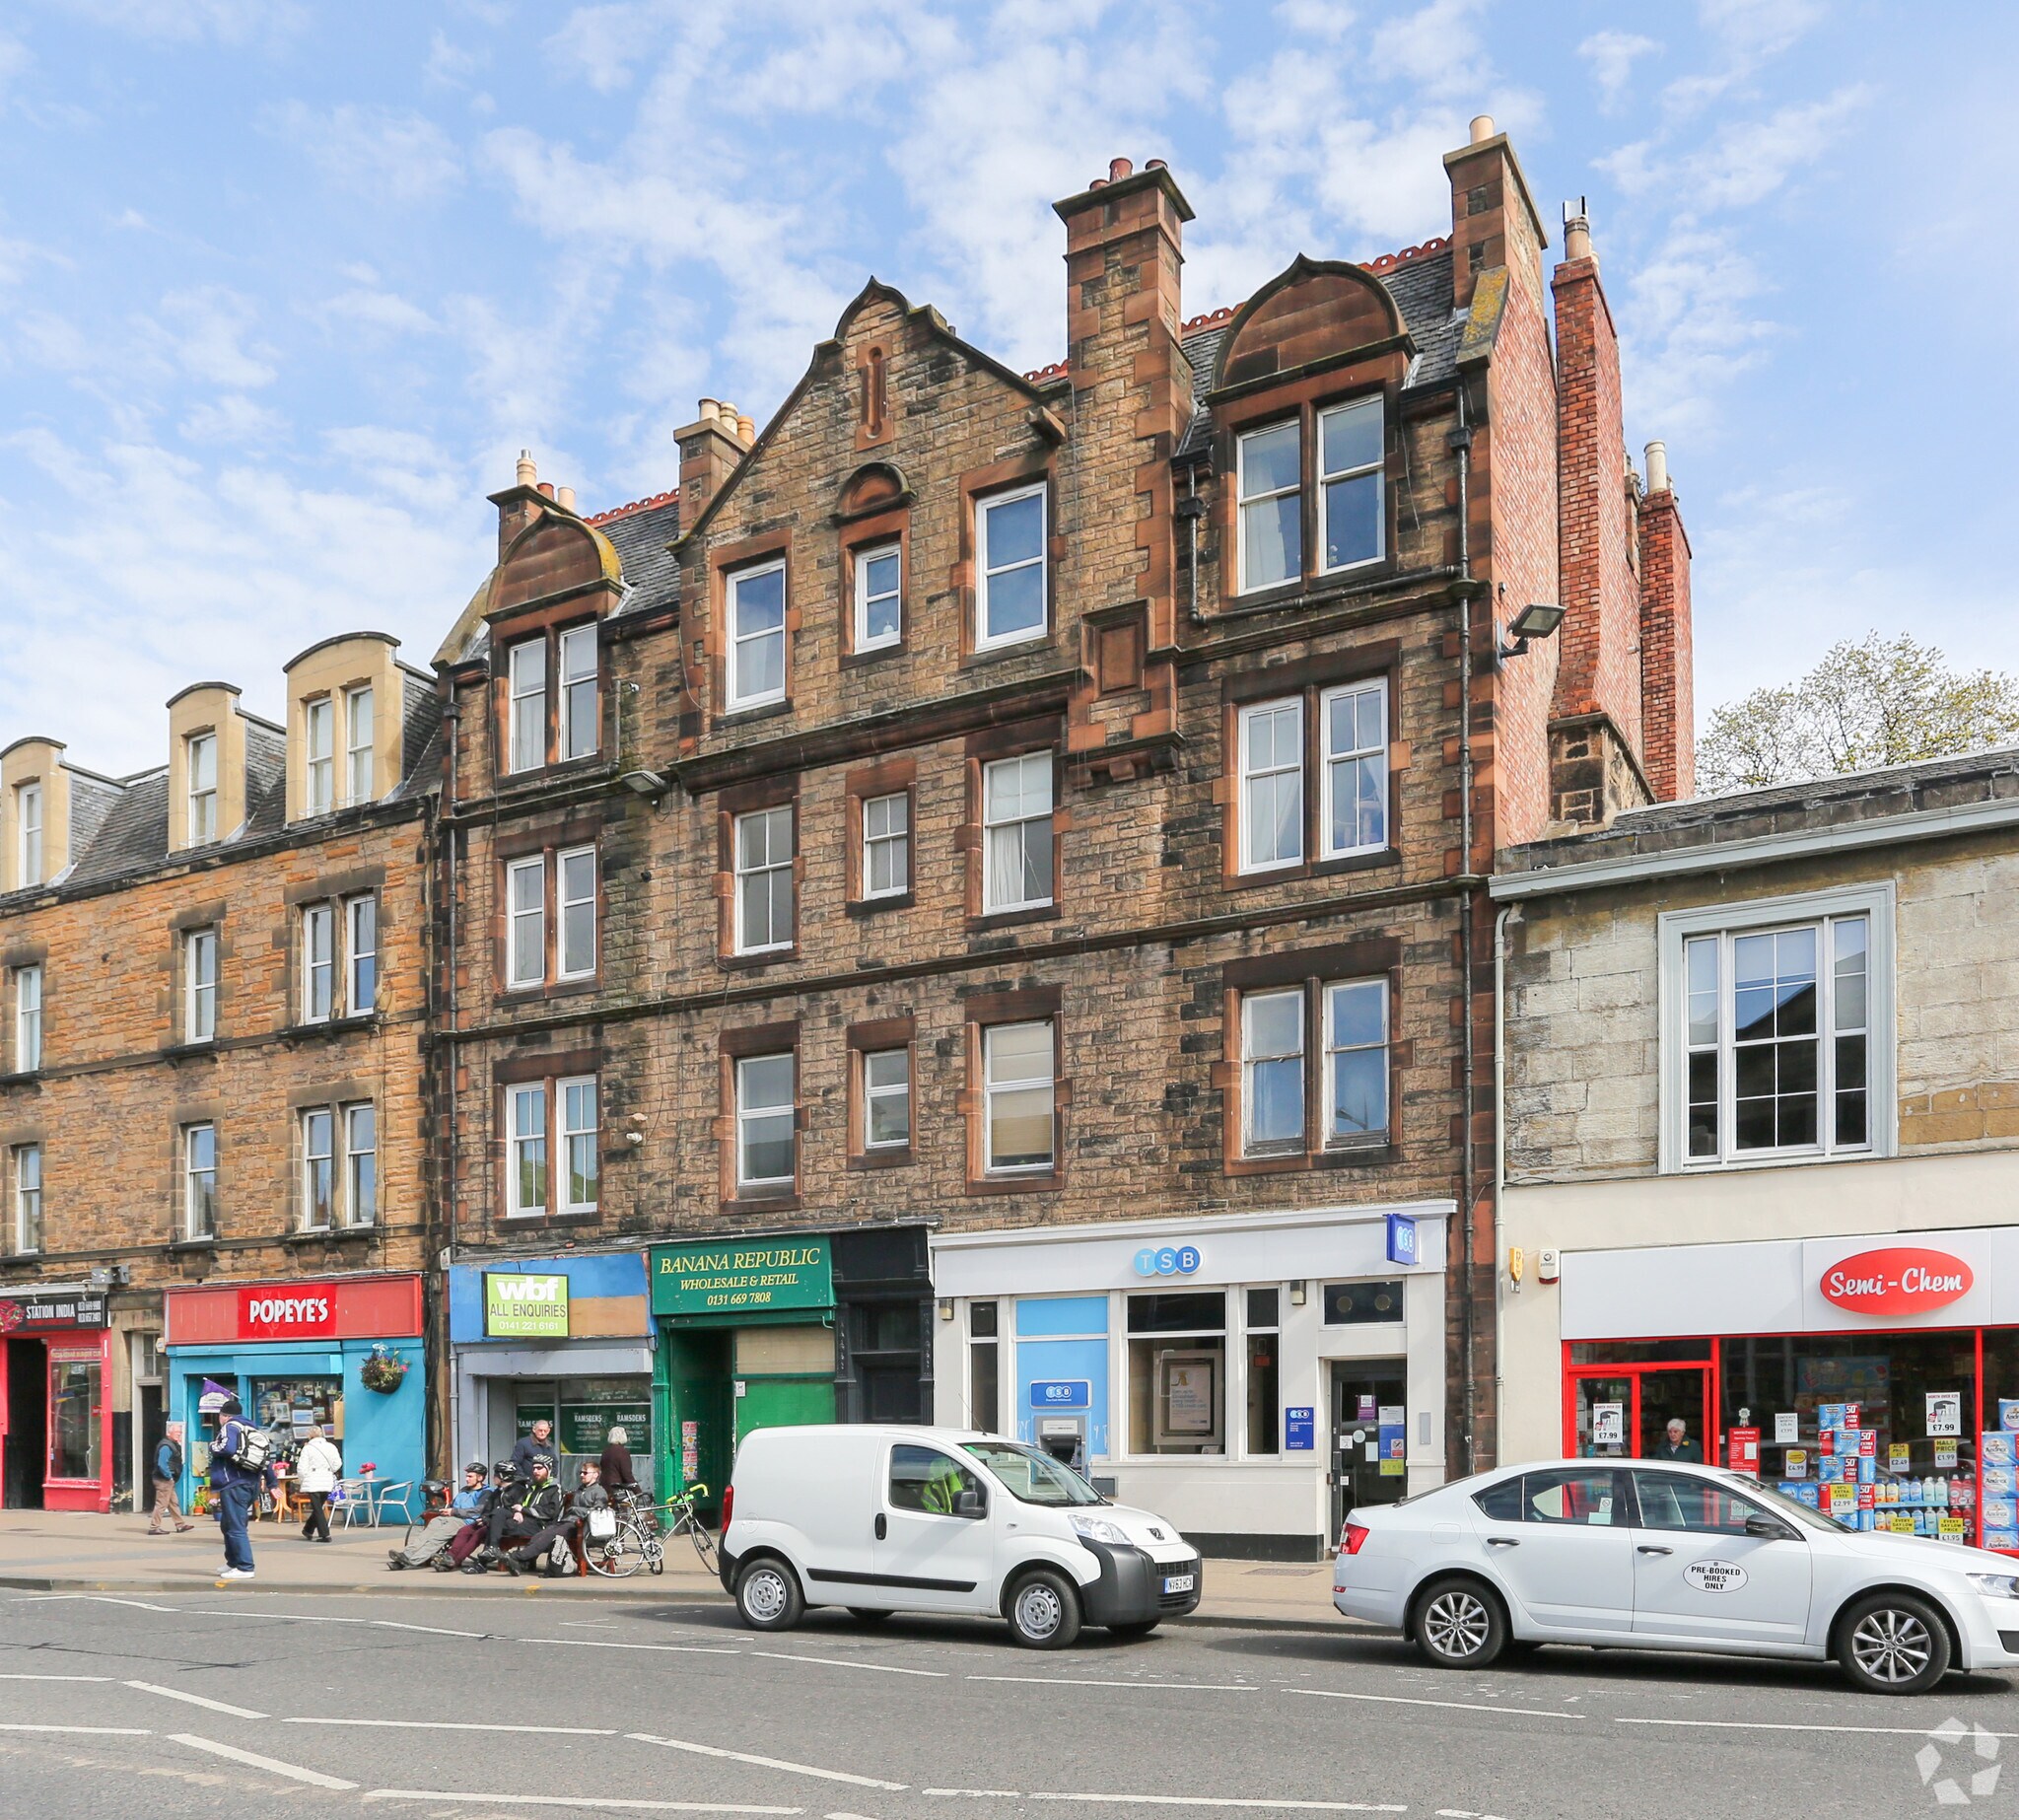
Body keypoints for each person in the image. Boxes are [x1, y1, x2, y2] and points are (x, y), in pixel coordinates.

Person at [207, 1397, 275, 1580]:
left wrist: (212, 1446)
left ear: (224, 1416)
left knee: (236, 1526)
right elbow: (266, 1460)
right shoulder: (251, 1428)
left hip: (233, 1484)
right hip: (250, 1483)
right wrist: (272, 1483)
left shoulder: (230, 1427)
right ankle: (233, 1562)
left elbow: (227, 1449)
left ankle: (245, 1566)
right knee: (228, 1524)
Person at [388, 1462, 490, 1571]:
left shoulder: (486, 1492)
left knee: (436, 1538)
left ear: (480, 1477)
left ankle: (413, 1561)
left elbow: (478, 1510)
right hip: (450, 1518)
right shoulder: (464, 1491)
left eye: (470, 1476)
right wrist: (446, 1510)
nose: (467, 1479)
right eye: (466, 1476)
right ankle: (406, 1555)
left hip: (466, 1521)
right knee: (426, 1534)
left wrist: (454, 1512)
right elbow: (453, 1505)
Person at [494, 1455, 569, 1575]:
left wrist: (524, 1510)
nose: (535, 1471)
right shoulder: (532, 1487)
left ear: (549, 1469)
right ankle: (502, 1555)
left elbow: (550, 1512)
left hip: (543, 1525)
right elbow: (519, 1502)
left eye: (539, 1468)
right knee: (497, 1520)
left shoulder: (555, 1488)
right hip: (526, 1522)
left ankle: (509, 1557)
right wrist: (518, 1512)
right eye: (534, 1468)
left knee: (503, 1525)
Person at [295, 1428, 343, 1543]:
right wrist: (329, 1470)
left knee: (317, 1508)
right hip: (327, 1480)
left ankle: (325, 1535)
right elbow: (338, 1463)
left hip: (312, 1480)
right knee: (318, 1507)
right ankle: (308, 1529)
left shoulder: (308, 1448)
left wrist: (303, 1480)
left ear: (309, 1436)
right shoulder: (331, 1447)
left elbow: (301, 1468)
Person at [146, 1422, 194, 1535]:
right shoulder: (166, 1446)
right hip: (163, 1480)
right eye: (176, 1432)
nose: (179, 1434)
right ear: (169, 1433)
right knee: (161, 1504)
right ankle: (154, 1527)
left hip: (167, 1480)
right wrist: (168, 1476)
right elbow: (162, 1464)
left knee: (173, 1503)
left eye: (180, 1432)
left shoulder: (171, 1444)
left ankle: (180, 1525)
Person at [598, 1426, 638, 1497]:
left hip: (604, 1487)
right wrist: (638, 1492)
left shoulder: (606, 1451)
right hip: (617, 1489)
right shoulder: (623, 1452)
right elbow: (626, 1474)